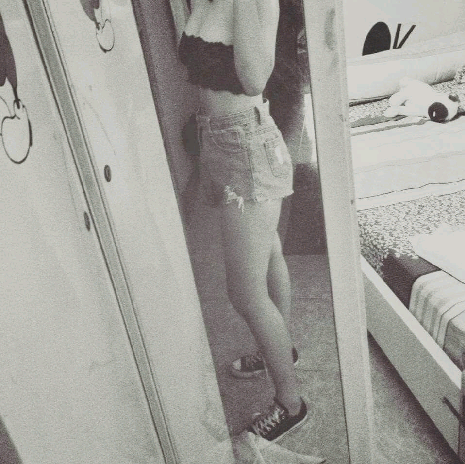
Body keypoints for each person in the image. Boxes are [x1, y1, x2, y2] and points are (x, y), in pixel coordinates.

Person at [178, 0, 307, 442]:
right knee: (268, 251)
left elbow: (254, 78)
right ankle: (279, 350)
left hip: (246, 144)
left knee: (245, 292)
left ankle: (291, 404)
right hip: (219, 139)